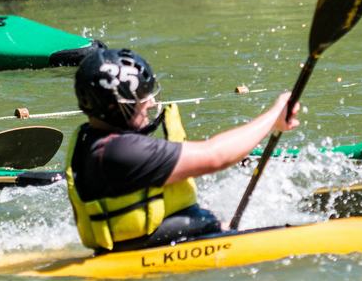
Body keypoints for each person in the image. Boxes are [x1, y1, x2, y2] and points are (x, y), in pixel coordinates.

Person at [66, 47, 299, 253]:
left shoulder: (91, 141)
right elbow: (215, 156)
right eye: (141, 98)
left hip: (157, 245)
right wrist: (273, 117)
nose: (150, 103)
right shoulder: (121, 152)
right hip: (160, 253)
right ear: (113, 107)